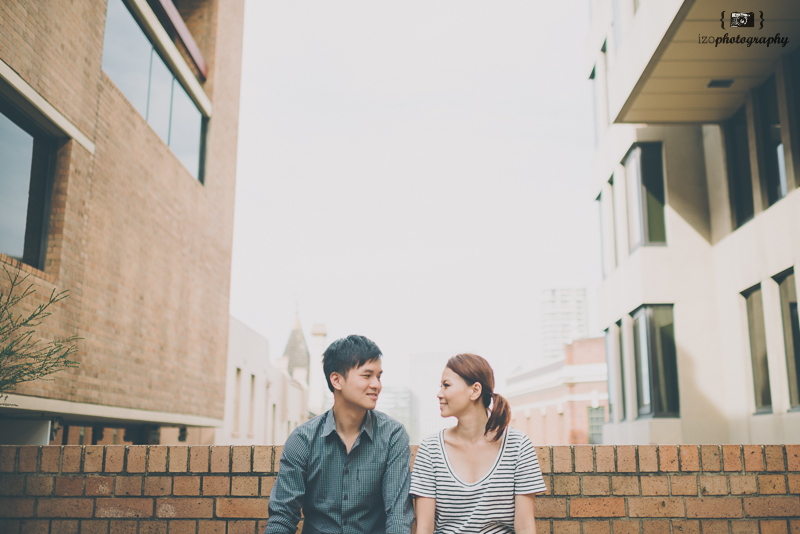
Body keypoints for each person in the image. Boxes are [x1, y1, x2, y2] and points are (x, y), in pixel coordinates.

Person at [265, 335, 414, 534]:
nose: (377, 384)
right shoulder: (303, 439)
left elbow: (398, 516)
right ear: (336, 380)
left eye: (378, 376)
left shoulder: (393, 436)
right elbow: (283, 517)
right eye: (367, 375)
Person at [410, 353, 547, 534]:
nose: (439, 394)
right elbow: (424, 528)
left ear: (475, 390)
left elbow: (525, 527)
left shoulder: (518, 446)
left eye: (446, 385)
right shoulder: (430, 449)